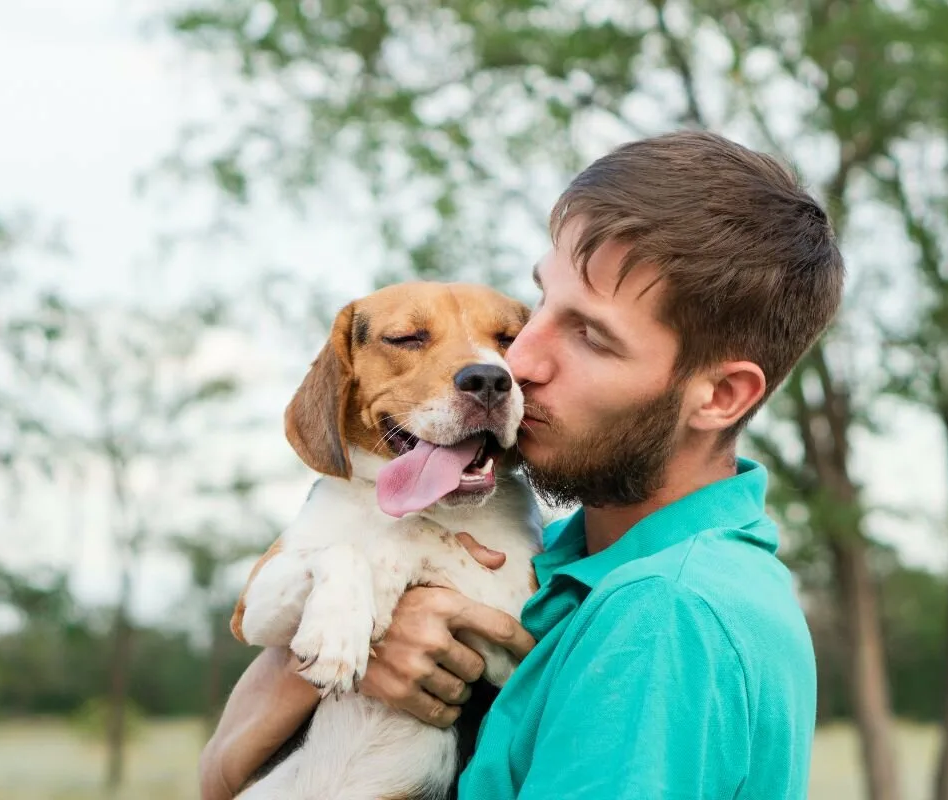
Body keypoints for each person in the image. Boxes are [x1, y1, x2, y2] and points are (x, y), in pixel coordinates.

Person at [200, 130, 844, 800]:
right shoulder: (580, 561)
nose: (520, 363)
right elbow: (222, 771)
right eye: (539, 305)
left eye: (589, 334)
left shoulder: (664, 615)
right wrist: (365, 643)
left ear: (721, 396)